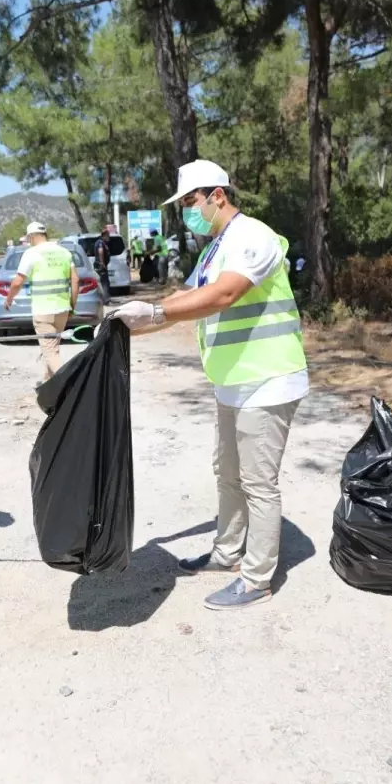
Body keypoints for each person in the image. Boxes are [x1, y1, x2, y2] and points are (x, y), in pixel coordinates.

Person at [109, 160, 309, 611]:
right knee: (228, 473)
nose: (186, 211)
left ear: (217, 195)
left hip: (268, 379)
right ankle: (227, 553)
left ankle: (257, 578)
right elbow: (188, 300)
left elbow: (223, 295)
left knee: (258, 482)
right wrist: (131, 322)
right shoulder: (214, 248)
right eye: (183, 204)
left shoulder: (251, 236)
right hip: (233, 382)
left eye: (190, 201)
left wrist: (158, 314)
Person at [4, 221, 78, 382]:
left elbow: (17, 282)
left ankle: (70, 385)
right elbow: (75, 280)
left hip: (43, 311)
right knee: (52, 348)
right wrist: (72, 305)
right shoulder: (64, 252)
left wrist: (9, 299)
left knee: (50, 351)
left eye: (28, 238)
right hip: (62, 309)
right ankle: (48, 386)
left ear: (31, 236)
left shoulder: (31, 253)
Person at [92, 227, 112, 299]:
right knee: (104, 283)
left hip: (102, 265)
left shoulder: (103, 243)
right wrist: (102, 263)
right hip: (101, 266)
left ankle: (106, 298)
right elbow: (100, 251)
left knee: (105, 282)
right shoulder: (100, 242)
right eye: (108, 235)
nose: (109, 236)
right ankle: (106, 299)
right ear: (104, 235)